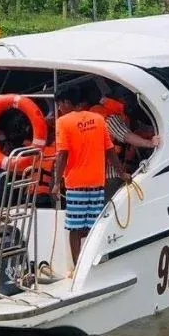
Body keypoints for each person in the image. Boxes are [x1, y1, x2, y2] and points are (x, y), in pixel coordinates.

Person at [51, 88, 129, 272]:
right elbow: (110, 151)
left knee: (75, 226)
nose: (59, 109)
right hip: (97, 181)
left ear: (66, 103)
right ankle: (93, 261)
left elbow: (62, 154)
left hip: (76, 183)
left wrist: (56, 183)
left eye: (59, 105)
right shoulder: (99, 119)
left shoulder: (63, 122)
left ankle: (79, 266)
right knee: (95, 224)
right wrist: (122, 173)